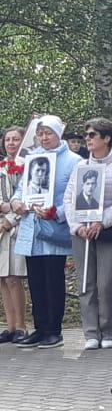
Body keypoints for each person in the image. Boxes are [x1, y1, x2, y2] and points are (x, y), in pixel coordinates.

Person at [11, 115, 81, 349]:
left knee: (53, 279)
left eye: (48, 133)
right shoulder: (33, 157)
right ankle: (40, 328)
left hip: (53, 229)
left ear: (58, 134)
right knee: (36, 280)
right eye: (40, 134)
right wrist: (16, 203)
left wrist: (57, 212)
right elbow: (21, 188)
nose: (44, 138)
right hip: (31, 227)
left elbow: (75, 197)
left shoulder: (73, 161)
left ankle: (54, 329)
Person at [64, 118, 112, 351]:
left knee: (105, 283)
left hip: (109, 232)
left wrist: (102, 222)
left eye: (93, 135)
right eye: (87, 135)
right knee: (86, 282)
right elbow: (70, 198)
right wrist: (77, 226)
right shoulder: (81, 166)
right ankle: (91, 332)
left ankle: (109, 331)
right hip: (82, 232)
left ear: (107, 138)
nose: (88, 139)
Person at [0, 126, 28, 344]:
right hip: (1, 226)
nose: (11, 143)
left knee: (14, 278)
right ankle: (9, 326)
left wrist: (10, 218)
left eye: (15, 139)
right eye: (7, 139)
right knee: (2, 278)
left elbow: (26, 199)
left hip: (18, 226)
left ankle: (21, 326)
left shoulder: (28, 166)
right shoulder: (1, 168)